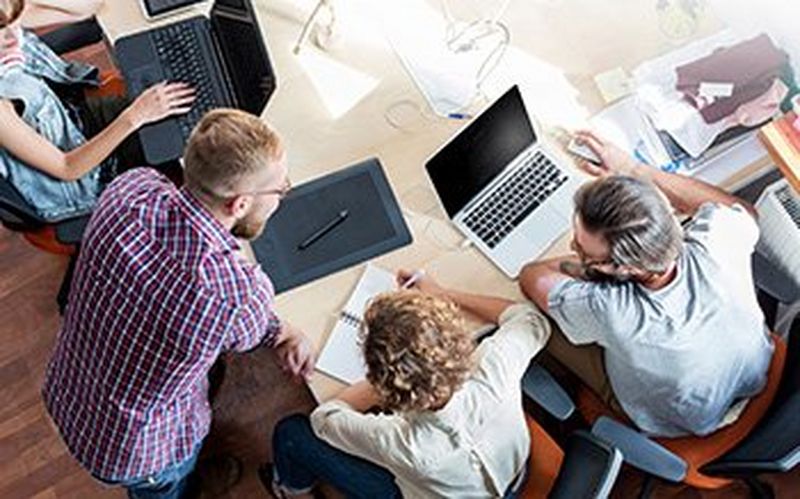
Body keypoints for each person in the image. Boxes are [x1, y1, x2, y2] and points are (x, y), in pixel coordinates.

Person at [43, 109, 316, 498]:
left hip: (68, 388)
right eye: (280, 190)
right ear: (238, 204)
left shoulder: (131, 189)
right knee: (168, 487)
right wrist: (293, 332)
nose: (282, 195)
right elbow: (259, 329)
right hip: (136, 452)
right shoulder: (234, 295)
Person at [519, 130, 774, 438]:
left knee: (529, 319)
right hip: (754, 375)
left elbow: (532, 276)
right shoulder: (719, 235)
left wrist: (584, 269)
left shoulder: (611, 310)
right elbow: (745, 211)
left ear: (626, 268)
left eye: (583, 250)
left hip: (683, 421)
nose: (573, 247)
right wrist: (635, 170)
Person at [262, 273, 552, 498]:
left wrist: (383, 384)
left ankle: (291, 488)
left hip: (419, 490)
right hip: (516, 472)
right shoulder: (494, 365)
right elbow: (530, 319)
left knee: (292, 433)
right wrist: (443, 294)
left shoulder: (400, 443)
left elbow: (324, 419)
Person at [0, 0, 194, 222]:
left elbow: (90, 7)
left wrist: (16, 6)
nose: (14, 37)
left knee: (188, 89)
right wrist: (136, 115)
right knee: (201, 139)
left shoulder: (6, 19)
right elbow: (67, 168)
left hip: (78, 122)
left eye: (13, 24)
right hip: (91, 175)